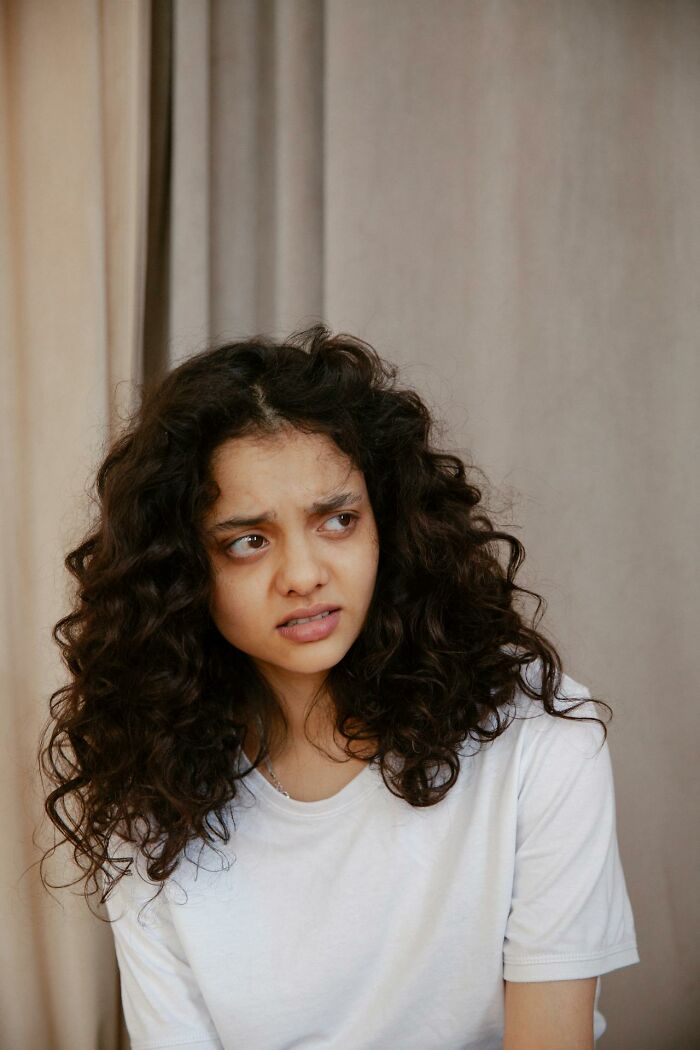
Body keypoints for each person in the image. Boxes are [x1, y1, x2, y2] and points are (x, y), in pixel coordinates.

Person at [39, 324, 639, 1050]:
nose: (303, 574)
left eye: (338, 521)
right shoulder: (158, 782)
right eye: (248, 541)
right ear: (182, 573)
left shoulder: (538, 737)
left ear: (390, 529)